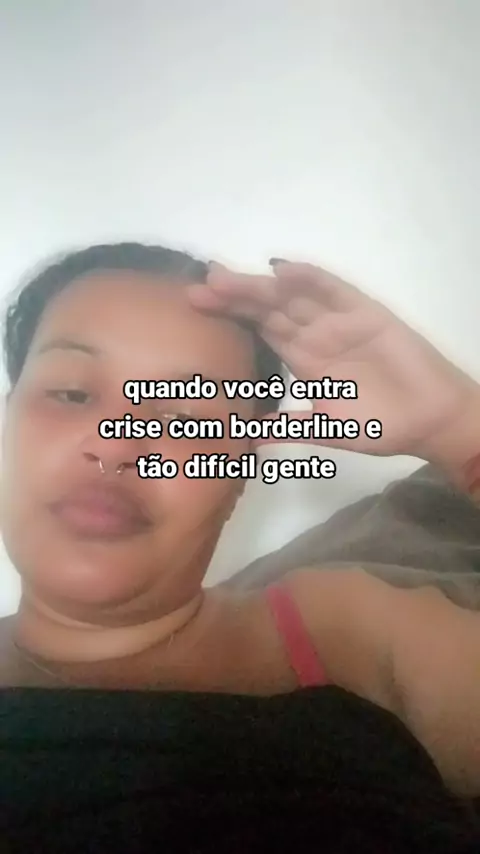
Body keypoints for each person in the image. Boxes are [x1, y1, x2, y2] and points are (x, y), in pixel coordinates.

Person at [0, 243, 479, 852]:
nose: (117, 446)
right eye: (72, 393)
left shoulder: (350, 634)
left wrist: (458, 427)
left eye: (187, 419)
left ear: (241, 472)